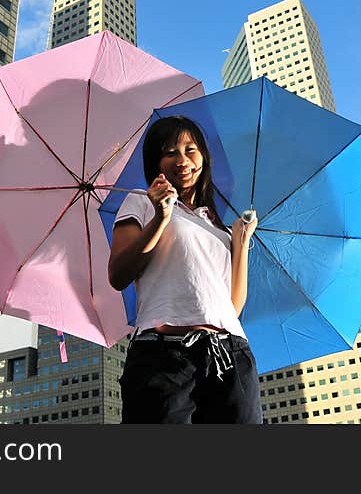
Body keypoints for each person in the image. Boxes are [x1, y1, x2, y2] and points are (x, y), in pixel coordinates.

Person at [107, 115, 262, 424]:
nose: (182, 160)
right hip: (164, 356)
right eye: (170, 152)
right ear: (156, 163)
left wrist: (240, 244)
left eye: (191, 150)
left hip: (229, 355)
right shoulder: (139, 202)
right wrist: (161, 216)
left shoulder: (214, 223)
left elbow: (231, 307)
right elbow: (118, 274)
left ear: (203, 156)